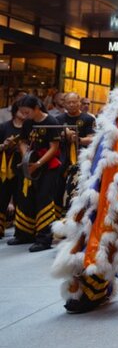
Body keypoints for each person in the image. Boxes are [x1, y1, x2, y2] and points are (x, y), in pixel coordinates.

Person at [9, 95, 62, 252]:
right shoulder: (28, 123)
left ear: (37, 108)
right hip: (30, 165)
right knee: (25, 197)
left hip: (48, 166)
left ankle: (44, 239)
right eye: (22, 113)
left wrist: (38, 164)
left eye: (27, 112)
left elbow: (54, 148)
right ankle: (24, 234)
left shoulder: (51, 122)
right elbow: (23, 141)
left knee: (43, 199)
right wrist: (26, 158)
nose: (25, 116)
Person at [57, 92, 96, 213]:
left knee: (76, 187)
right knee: (58, 186)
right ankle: (59, 213)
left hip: (81, 158)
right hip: (62, 157)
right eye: (69, 102)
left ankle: (74, 213)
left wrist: (78, 139)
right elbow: (54, 138)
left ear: (79, 103)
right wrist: (64, 135)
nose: (72, 104)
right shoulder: (58, 119)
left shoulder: (88, 119)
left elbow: (92, 138)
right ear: (64, 104)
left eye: (74, 102)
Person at [0, 99, 28, 237]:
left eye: (26, 110)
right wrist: (4, 146)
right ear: (15, 111)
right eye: (21, 110)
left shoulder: (30, 128)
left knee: (21, 198)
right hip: (5, 168)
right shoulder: (4, 127)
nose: (24, 113)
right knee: (2, 197)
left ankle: (21, 231)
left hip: (23, 167)